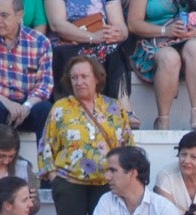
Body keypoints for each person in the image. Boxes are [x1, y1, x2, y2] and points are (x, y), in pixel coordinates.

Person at [37, 54, 133, 215]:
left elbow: (127, 144)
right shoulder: (61, 108)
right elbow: (46, 145)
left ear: (97, 78)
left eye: (84, 76)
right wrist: (52, 176)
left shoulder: (113, 107)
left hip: (105, 184)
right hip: (70, 184)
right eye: (74, 78)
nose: (79, 82)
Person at [127, 0, 196, 130]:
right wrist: (166, 31)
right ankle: (163, 121)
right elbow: (133, 23)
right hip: (156, 38)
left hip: (192, 37)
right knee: (170, 59)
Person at [44, 0, 135, 128]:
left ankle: (123, 109)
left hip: (99, 41)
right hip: (68, 42)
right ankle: (72, 112)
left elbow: (120, 25)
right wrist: (91, 37)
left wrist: (119, 34)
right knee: (63, 52)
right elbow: (57, 24)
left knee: (116, 48)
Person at [0, 0, 53, 138]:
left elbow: (45, 85)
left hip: (27, 103)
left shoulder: (40, 42)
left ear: (19, 15)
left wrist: (26, 106)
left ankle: (43, 158)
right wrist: (8, 103)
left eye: (4, 15)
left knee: (45, 108)